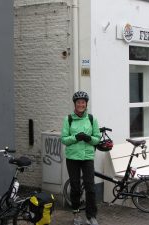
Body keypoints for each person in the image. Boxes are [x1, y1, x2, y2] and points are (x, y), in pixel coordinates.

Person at [61, 91, 101, 225]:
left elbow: (97, 139)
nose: (81, 104)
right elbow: (64, 139)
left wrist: (88, 138)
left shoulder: (91, 119)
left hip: (87, 157)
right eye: (78, 102)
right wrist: (76, 137)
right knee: (76, 187)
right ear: (75, 104)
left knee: (90, 187)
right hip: (72, 158)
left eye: (83, 102)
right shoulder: (68, 119)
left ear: (86, 104)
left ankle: (91, 216)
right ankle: (76, 214)